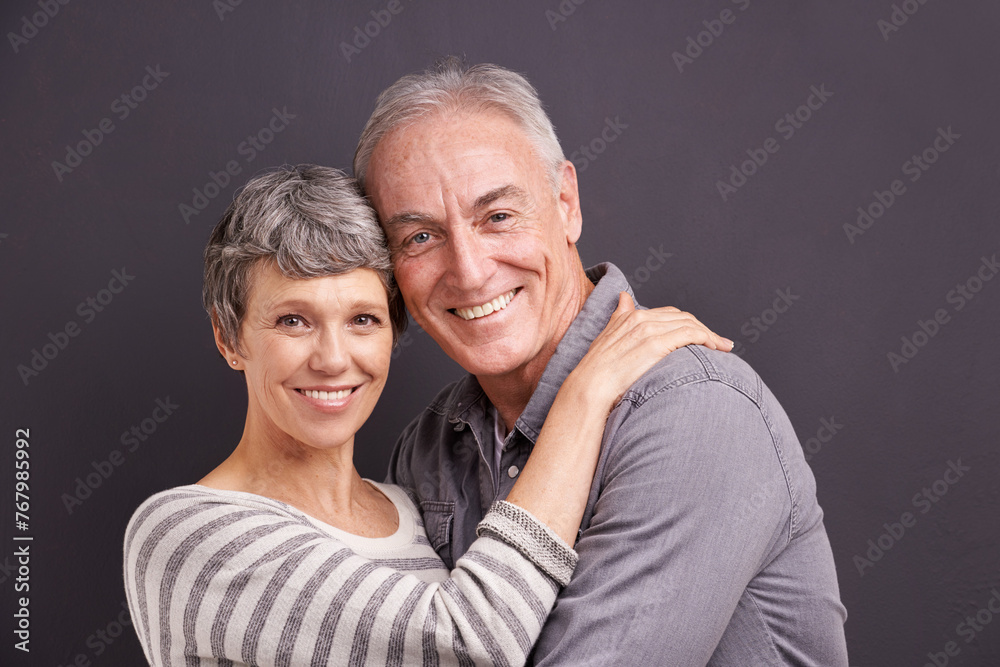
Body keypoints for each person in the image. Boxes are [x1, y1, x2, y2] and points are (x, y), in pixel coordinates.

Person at [123, 164, 730, 666]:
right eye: (293, 321)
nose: (334, 360)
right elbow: (472, 645)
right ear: (230, 338)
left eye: (363, 319)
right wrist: (584, 390)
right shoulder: (187, 533)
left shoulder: (409, 506)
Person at [357, 59, 850, 665]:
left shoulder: (695, 411)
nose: (469, 269)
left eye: (499, 217)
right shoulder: (428, 445)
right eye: (421, 238)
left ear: (566, 202)